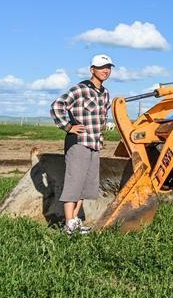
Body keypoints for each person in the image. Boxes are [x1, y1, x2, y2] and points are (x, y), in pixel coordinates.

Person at [49, 53, 114, 235]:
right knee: (74, 183)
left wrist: (104, 128)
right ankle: (68, 224)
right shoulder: (80, 89)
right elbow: (57, 105)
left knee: (86, 186)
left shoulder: (105, 93)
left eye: (108, 67)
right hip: (79, 143)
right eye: (101, 67)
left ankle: (74, 221)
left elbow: (100, 117)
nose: (105, 71)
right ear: (92, 69)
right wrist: (68, 126)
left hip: (94, 144)